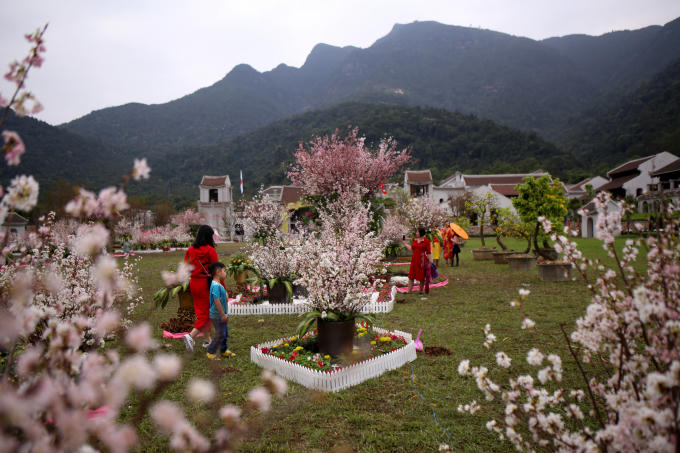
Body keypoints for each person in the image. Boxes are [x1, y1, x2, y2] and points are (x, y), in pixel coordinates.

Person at [183, 225, 222, 352]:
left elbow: (185, 267)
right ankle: (190, 336)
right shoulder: (210, 250)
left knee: (201, 311)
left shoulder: (190, 250)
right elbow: (217, 270)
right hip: (206, 284)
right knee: (207, 313)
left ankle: (207, 339)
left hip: (194, 283)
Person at [205, 261, 236, 360]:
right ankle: (211, 352)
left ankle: (223, 350)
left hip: (221, 314)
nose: (225, 273)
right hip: (217, 315)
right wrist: (223, 314)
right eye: (224, 271)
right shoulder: (215, 285)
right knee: (220, 335)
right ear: (218, 272)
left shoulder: (218, 284)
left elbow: (221, 297)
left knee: (224, 333)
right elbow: (216, 300)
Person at [401, 227, 432, 295]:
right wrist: (405, 244)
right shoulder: (414, 240)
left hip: (422, 260)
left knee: (421, 276)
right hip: (414, 260)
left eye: (417, 232)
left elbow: (429, 252)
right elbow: (412, 249)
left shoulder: (426, 241)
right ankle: (409, 291)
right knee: (411, 275)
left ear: (421, 233)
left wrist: (430, 261)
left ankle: (420, 291)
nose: (416, 233)